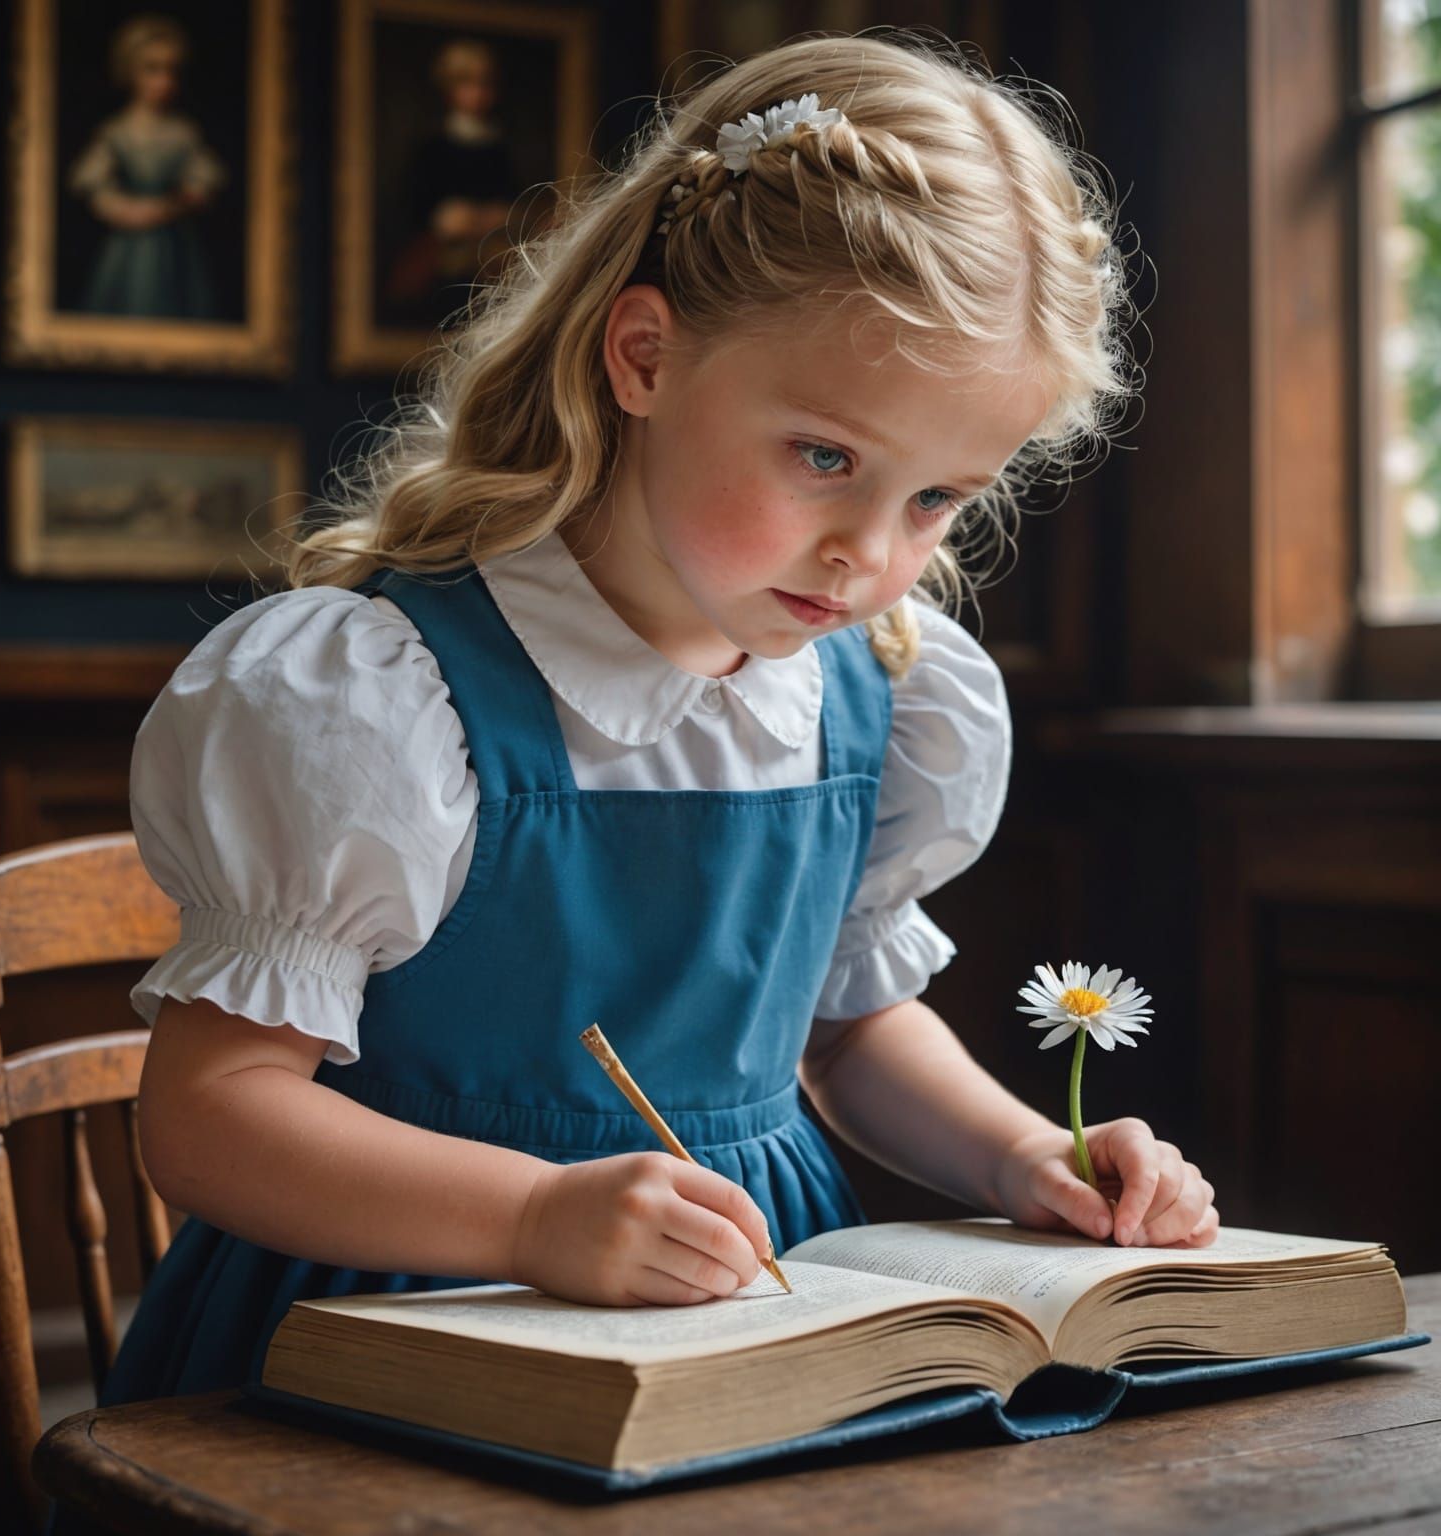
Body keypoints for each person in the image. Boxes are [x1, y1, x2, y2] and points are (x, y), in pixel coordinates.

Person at [104, 32, 1218, 1406]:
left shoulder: (882, 696)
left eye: (936, 499)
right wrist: (531, 1218)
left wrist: (1021, 1154)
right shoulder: (376, 698)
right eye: (825, 457)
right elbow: (210, 1119)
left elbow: (846, 1030)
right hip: (395, 1324)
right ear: (644, 356)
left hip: (740, 1317)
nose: (870, 555)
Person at [66, 14, 226, 320]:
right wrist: (125, 210)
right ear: (130, 71)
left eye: (171, 71)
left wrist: (174, 205)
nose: (164, 81)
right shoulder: (117, 132)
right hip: (129, 248)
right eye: (152, 69)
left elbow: (202, 184)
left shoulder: (183, 133)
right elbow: (93, 186)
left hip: (174, 249)